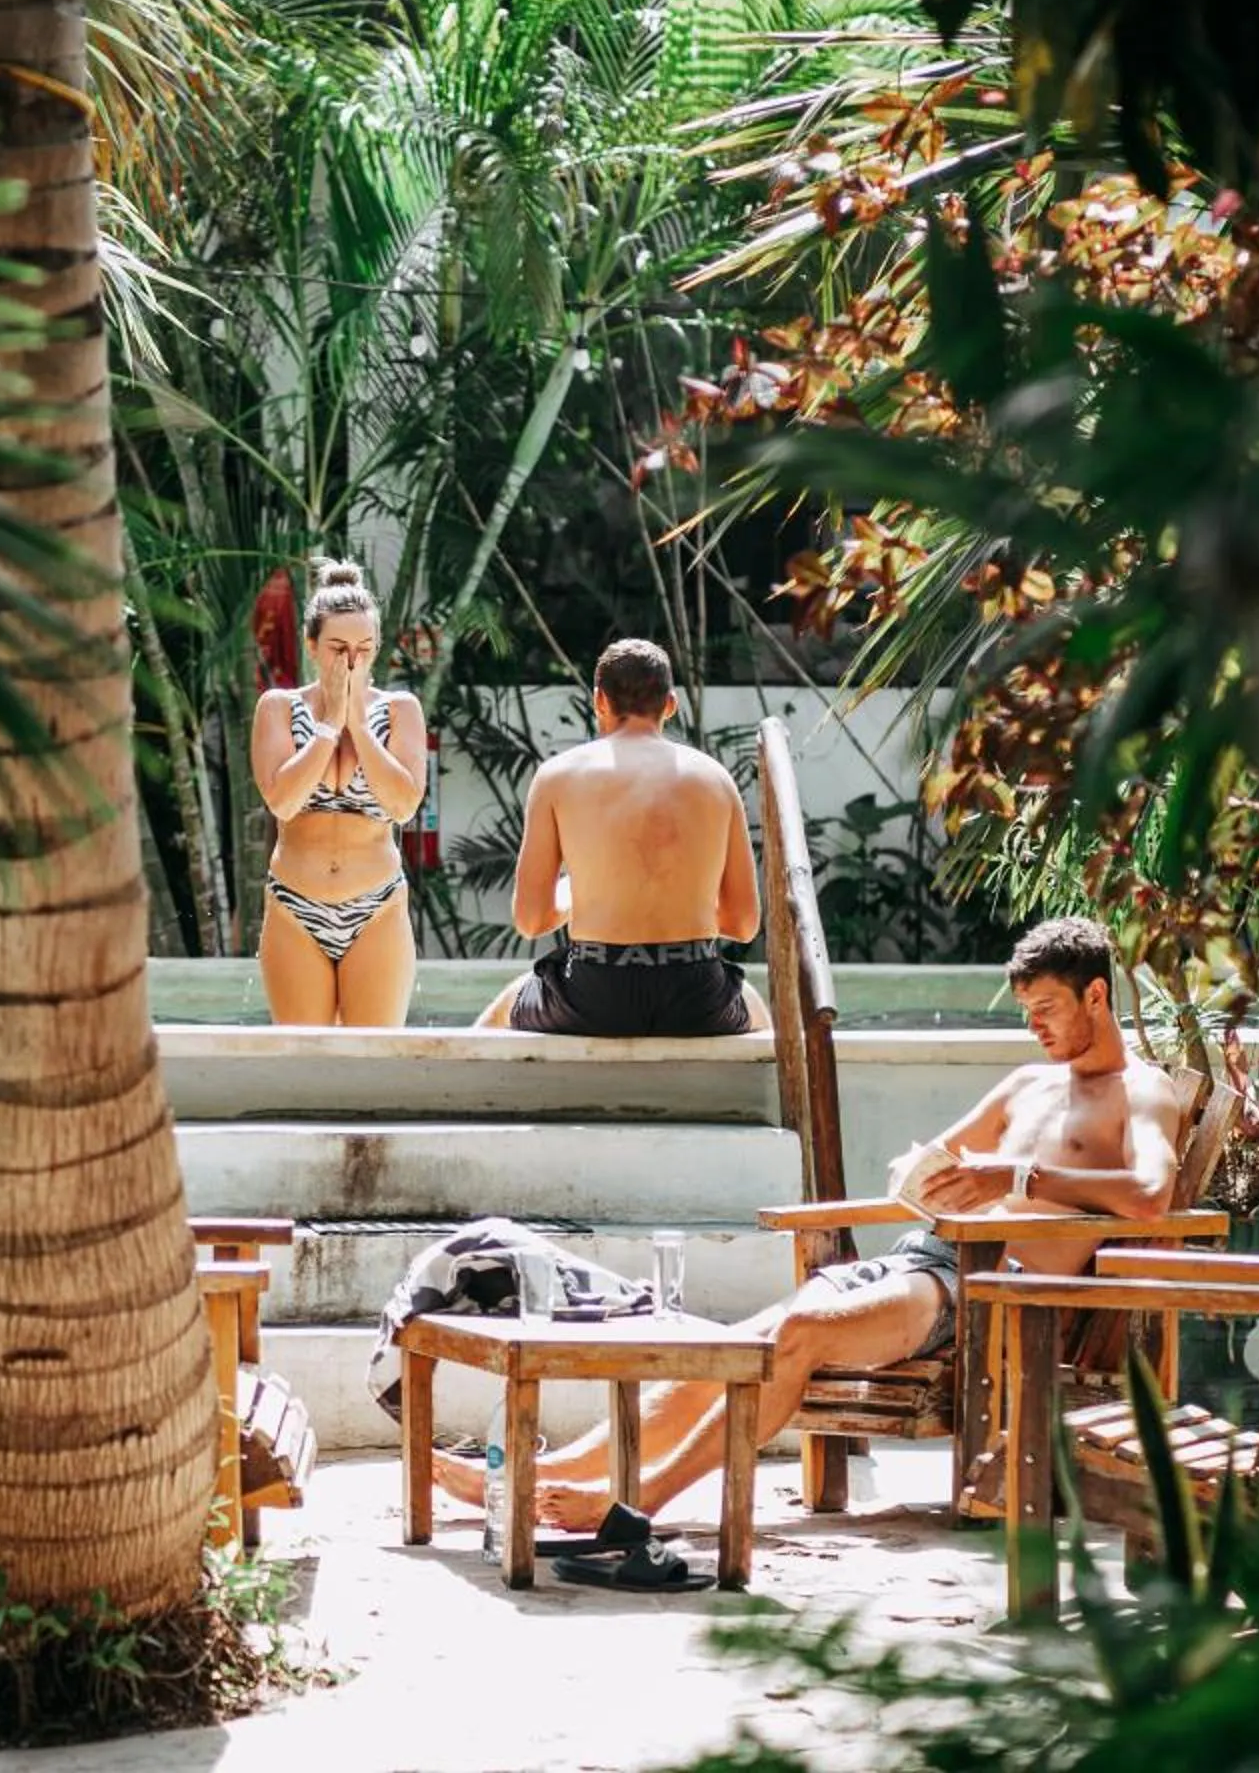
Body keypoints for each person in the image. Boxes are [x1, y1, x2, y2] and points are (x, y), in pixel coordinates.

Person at [435, 916, 1186, 1530]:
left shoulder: (1139, 1092)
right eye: (1026, 1014)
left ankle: (636, 1504)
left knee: (799, 1336)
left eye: (1047, 1011)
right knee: (739, 1346)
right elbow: (941, 1157)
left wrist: (1014, 1177)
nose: (1035, 1029)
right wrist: (919, 1175)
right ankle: (546, 1475)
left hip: (992, 1292)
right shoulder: (1027, 1083)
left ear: (1095, 996)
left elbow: (1152, 1194)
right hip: (926, 1259)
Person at [471, 637, 763, 1036]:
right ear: (671, 704)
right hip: (696, 993)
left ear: (598, 701)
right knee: (759, 1011)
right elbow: (743, 923)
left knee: (503, 1008)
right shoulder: (714, 779)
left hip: (593, 992)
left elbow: (531, 919)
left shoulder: (558, 775)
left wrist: (584, 890)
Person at [250, 559, 430, 1025]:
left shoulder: (398, 710)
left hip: (376, 905)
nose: (351, 661)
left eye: (364, 649)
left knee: (375, 1059)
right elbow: (283, 801)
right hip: (296, 904)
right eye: (338, 648)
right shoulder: (279, 707)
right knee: (303, 1059)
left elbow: (402, 805)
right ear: (312, 646)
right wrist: (329, 724)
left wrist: (356, 724)